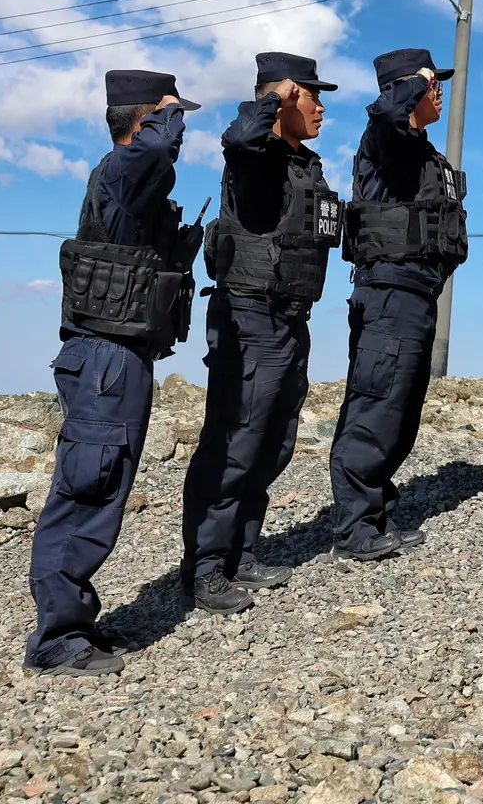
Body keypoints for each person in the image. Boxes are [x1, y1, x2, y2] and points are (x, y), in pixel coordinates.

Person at [25, 69, 203, 676]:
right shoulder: (122, 169)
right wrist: (168, 112)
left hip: (120, 356)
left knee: (102, 492)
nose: (181, 126)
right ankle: (55, 640)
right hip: (103, 358)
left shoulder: (134, 185)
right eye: (171, 112)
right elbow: (154, 144)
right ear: (146, 114)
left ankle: (78, 622)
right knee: (86, 491)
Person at [180, 54, 342, 612]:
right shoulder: (255, 156)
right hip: (248, 317)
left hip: (291, 317)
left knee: (274, 441)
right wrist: (275, 95)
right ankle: (204, 568)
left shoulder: (305, 165)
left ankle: (239, 553)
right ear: (288, 95)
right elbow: (242, 136)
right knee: (235, 443)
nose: (321, 107)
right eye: (312, 95)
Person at [329, 47, 468, 560]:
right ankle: (354, 530)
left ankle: (375, 511)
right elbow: (387, 113)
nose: (438, 90)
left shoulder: (425, 154)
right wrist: (411, 86)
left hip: (417, 294)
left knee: (401, 410)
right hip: (387, 294)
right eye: (431, 83)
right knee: (376, 406)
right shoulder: (384, 140)